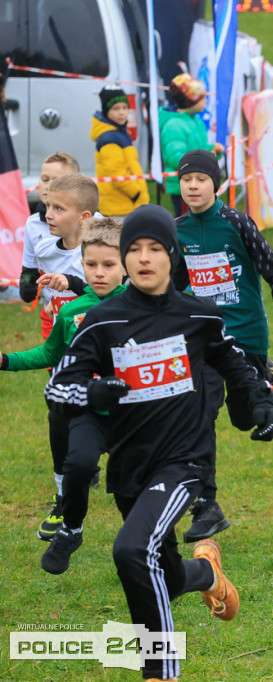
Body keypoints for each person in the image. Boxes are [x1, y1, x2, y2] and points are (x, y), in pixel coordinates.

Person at [45, 203, 273, 682]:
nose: (144, 258)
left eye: (155, 248)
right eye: (134, 249)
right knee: (162, 573)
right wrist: (92, 392)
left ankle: (160, 670)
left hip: (184, 461)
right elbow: (58, 388)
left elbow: (234, 362)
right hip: (130, 465)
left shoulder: (199, 314)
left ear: (172, 255)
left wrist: (261, 402)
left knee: (131, 550)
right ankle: (205, 574)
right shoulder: (102, 321)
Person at [171, 149, 273, 543]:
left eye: (201, 179)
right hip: (205, 339)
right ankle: (206, 506)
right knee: (199, 414)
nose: (193, 186)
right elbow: (174, 285)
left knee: (244, 420)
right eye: (186, 179)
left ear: (217, 184)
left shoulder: (236, 223)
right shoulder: (175, 230)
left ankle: (265, 383)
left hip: (246, 335)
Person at [1, 218, 126, 573]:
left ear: (126, 265)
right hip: (88, 410)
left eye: (108, 264)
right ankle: (72, 528)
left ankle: (154, 542)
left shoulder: (141, 305)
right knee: (79, 465)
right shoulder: (71, 311)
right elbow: (50, 352)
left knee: (132, 487)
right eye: (91, 264)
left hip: (133, 411)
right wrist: (6, 360)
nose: (98, 273)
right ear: (81, 264)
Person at [26, 173, 98, 540]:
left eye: (58, 208)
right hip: (66, 356)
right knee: (58, 417)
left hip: (107, 357)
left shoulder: (103, 250)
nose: (48, 214)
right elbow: (50, 300)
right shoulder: (45, 247)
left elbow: (116, 295)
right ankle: (62, 496)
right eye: (47, 206)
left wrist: (75, 284)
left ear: (85, 217)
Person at [19, 152, 79, 326]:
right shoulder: (32, 224)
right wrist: (27, 283)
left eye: (57, 181)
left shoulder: (92, 220)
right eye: (44, 179)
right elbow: (30, 265)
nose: (48, 186)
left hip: (88, 306)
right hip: (52, 310)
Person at [158, 73, 224, 216]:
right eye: (201, 97)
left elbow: (199, 149)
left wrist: (214, 151)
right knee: (187, 223)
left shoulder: (196, 122)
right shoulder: (174, 126)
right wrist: (206, 158)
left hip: (199, 184)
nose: (206, 100)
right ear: (190, 101)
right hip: (184, 188)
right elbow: (175, 158)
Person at [91, 85, 148, 218]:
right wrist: (135, 193)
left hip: (125, 204)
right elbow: (116, 172)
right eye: (116, 108)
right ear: (106, 111)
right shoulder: (109, 138)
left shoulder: (120, 132)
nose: (122, 112)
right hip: (118, 207)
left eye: (125, 107)